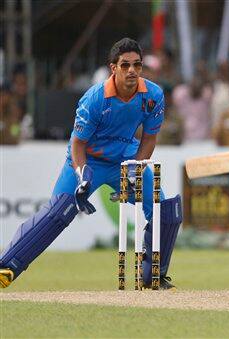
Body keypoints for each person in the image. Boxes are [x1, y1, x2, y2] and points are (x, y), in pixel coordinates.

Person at [0, 38, 182, 289]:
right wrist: (82, 173)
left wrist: (135, 167)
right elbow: (77, 145)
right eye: (125, 65)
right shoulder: (95, 98)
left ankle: (153, 276)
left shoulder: (153, 95)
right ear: (113, 67)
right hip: (89, 160)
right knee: (57, 214)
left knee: (166, 210)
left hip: (125, 159)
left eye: (137, 65)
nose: (132, 71)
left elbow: (149, 139)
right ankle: (5, 267)